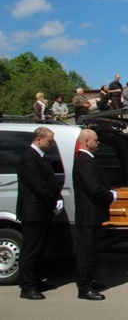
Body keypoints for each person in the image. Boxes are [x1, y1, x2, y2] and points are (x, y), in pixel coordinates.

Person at [16, 127, 63, 300]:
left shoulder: (41, 157)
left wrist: (57, 198)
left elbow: (50, 181)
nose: (51, 144)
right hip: (33, 211)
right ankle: (27, 287)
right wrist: (53, 202)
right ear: (38, 139)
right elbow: (38, 186)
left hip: (43, 210)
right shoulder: (29, 158)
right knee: (30, 249)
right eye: (49, 141)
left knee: (40, 248)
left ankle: (36, 279)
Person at [73, 129, 117, 300]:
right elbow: (94, 188)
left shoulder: (87, 160)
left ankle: (88, 280)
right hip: (88, 213)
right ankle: (84, 288)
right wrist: (111, 196)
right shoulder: (84, 161)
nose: (98, 143)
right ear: (86, 141)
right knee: (86, 252)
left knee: (91, 251)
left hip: (92, 213)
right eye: (96, 140)